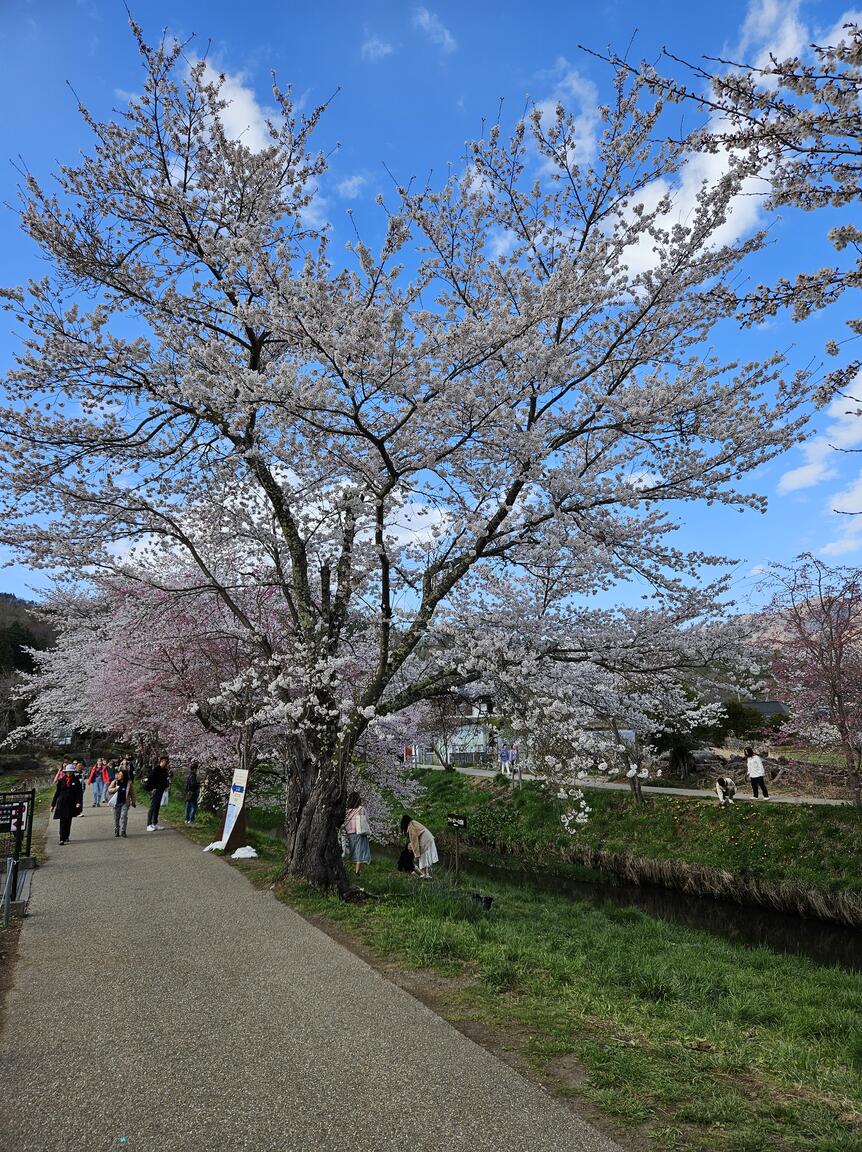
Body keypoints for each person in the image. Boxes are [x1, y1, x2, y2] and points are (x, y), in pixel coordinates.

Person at [50, 764, 83, 845]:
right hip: (62, 802)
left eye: (71, 772)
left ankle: (66, 836)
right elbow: (57, 793)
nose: (69, 773)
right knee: (62, 820)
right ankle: (61, 838)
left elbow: (79, 792)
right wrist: (52, 805)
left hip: (71, 802)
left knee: (68, 820)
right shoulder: (61, 780)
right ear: (66, 772)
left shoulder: (76, 780)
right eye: (68, 772)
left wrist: (78, 802)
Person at [343, 792, 372, 876]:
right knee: (359, 851)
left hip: (350, 833)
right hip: (359, 832)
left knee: (351, 849)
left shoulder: (347, 811)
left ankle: (347, 865)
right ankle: (357, 872)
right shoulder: (361, 809)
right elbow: (366, 819)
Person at [400, 814, 438, 878]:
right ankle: (426, 873)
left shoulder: (411, 826)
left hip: (425, 838)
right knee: (424, 856)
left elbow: (414, 841)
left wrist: (416, 854)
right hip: (428, 837)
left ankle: (424, 874)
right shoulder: (413, 823)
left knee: (422, 855)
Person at [107, 766, 136, 837]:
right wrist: (115, 789)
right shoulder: (115, 782)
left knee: (124, 816)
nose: (119, 776)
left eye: (120, 775)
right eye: (118, 774)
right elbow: (109, 790)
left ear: (124, 776)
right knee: (116, 817)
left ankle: (123, 831)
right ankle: (116, 830)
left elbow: (132, 793)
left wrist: (133, 801)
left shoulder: (128, 783)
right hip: (116, 802)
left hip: (125, 802)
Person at [145, 755, 170, 831]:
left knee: (157, 807)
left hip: (161, 790)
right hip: (156, 790)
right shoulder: (156, 770)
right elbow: (150, 779)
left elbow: (165, 779)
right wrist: (152, 788)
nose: (167, 763)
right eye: (166, 762)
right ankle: (149, 824)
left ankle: (154, 823)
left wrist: (166, 786)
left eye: (167, 762)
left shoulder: (165, 770)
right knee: (153, 807)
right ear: (161, 761)